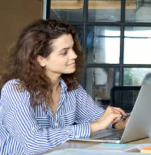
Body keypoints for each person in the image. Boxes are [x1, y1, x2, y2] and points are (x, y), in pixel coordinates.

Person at [0, 19, 129, 154]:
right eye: (64, 52)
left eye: (72, 48)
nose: (74, 55)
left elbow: (97, 116)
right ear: (41, 60)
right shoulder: (15, 90)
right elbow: (33, 142)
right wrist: (94, 126)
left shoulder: (72, 88)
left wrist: (120, 123)